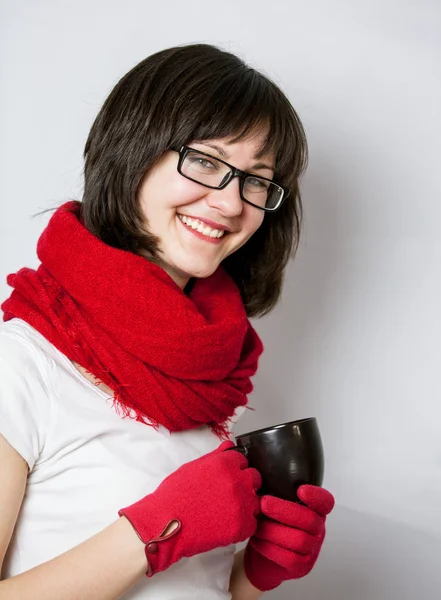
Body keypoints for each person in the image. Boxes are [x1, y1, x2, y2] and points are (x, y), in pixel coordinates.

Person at [0, 43, 334, 600]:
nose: (231, 204)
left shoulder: (206, 377)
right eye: (205, 161)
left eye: (257, 179)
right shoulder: (21, 364)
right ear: (132, 149)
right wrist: (153, 535)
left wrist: (254, 575)